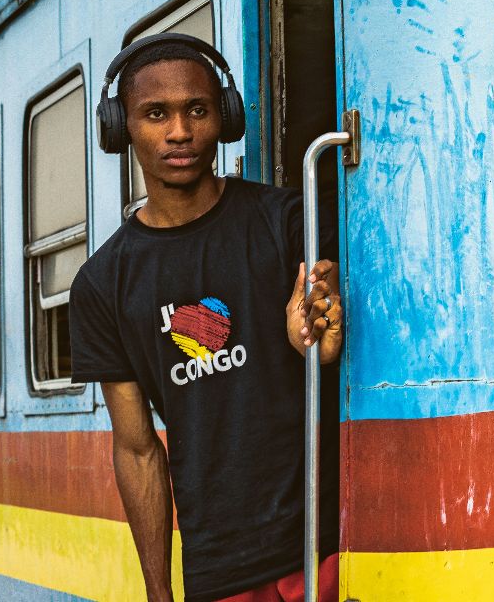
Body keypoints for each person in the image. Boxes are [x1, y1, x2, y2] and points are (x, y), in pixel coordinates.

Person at [70, 33, 342, 602]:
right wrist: (157, 593)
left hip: (327, 542)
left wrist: (311, 348)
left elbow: (342, 360)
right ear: (121, 129)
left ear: (225, 117)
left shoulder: (290, 220)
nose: (179, 132)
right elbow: (138, 449)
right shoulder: (102, 283)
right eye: (154, 114)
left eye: (197, 109)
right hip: (219, 567)